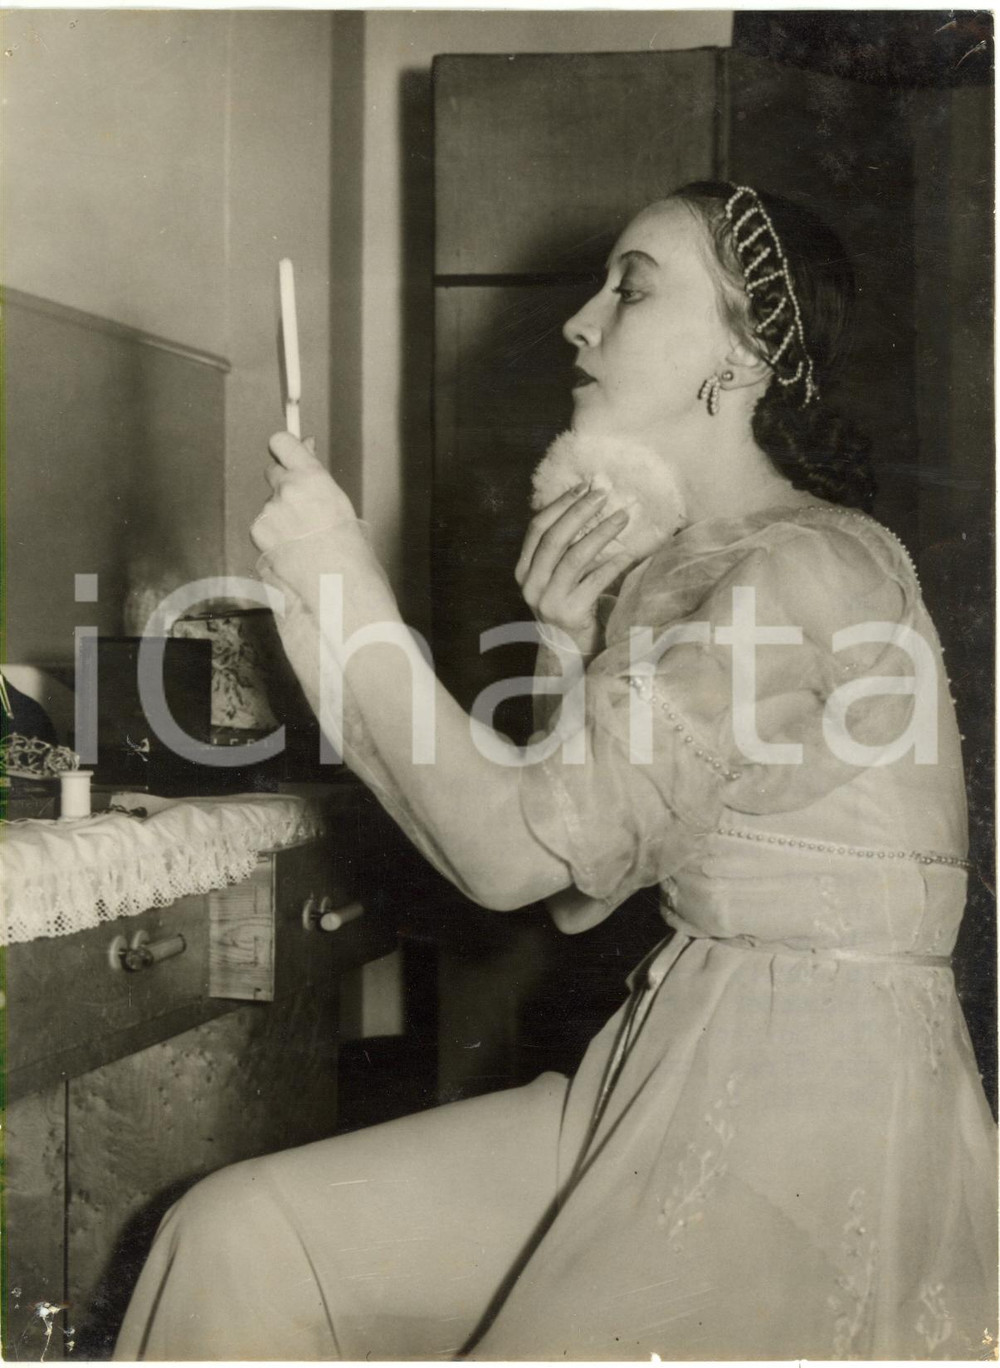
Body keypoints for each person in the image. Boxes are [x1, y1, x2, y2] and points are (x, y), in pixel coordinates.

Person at [114, 182, 997, 1361]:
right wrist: (574, 646)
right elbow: (591, 886)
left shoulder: (802, 567)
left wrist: (336, 581)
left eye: (628, 291)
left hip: (811, 1114)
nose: (579, 323)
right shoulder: (705, 563)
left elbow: (513, 859)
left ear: (737, 363)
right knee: (239, 1235)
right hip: (673, 1056)